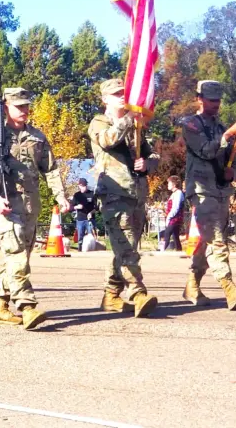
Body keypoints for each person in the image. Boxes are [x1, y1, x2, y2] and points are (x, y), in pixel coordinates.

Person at [0, 87, 70, 330]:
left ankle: (1, 307)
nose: (25, 110)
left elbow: (50, 169)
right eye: (19, 106)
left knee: (19, 258)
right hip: (7, 206)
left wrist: (61, 196)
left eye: (27, 105)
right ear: (6, 107)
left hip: (31, 205)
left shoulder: (37, 137)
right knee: (17, 256)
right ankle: (27, 307)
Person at [180, 80, 236, 311]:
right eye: (211, 100)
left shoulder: (221, 126)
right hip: (201, 189)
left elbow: (235, 159)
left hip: (221, 190)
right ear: (199, 99)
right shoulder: (191, 124)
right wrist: (227, 135)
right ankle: (229, 288)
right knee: (216, 239)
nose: (216, 105)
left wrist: (233, 173)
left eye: (218, 101)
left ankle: (192, 284)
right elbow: (205, 150)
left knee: (206, 241)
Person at [87, 78, 159, 318]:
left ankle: (111, 295)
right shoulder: (99, 123)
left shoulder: (135, 128)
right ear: (105, 99)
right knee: (127, 248)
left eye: (124, 93)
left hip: (136, 194)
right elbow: (108, 140)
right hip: (114, 194)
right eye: (117, 94)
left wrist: (147, 163)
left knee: (124, 248)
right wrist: (129, 119)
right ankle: (138, 293)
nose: (122, 97)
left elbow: (153, 154)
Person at [71, 178, 96, 250]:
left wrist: (91, 213)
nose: (83, 187)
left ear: (86, 185)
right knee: (80, 237)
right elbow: (71, 207)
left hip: (90, 219)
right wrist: (77, 207)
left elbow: (96, 208)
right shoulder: (77, 195)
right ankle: (80, 249)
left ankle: (93, 249)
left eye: (84, 185)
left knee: (91, 236)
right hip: (80, 220)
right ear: (79, 186)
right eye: (81, 186)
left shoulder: (91, 194)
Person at [162, 176, 185, 251]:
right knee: (175, 237)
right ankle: (179, 251)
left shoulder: (178, 193)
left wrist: (169, 217)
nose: (168, 184)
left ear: (174, 184)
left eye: (169, 183)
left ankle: (162, 250)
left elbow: (175, 207)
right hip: (174, 218)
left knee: (167, 234)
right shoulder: (174, 193)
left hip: (175, 218)